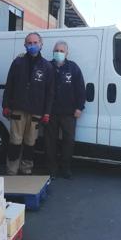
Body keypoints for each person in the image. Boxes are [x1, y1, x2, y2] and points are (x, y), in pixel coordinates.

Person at [2, 32, 54, 175]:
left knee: (30, 143)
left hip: (36, 111)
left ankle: (26, 169)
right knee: (15, 142)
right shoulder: (17, 63)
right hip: (18, 109)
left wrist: (47, 112)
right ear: (25, 45)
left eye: (35, 42)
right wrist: (5, 105)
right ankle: (11, 170)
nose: (32, 45)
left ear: (41, 44)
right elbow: (9, 85)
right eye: (29, 43)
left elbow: (50, 92)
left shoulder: (47, 66)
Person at [44, 41, 86, 179]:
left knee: (68, 141)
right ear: (53, 51)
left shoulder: (73, 68)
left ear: (67, 53)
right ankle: (52, 169)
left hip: (69, 113)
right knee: (50, 142)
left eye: (62, 51)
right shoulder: (47, 67)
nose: (59, 53)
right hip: (50, 112)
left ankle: (65, 168)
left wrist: (79, 107)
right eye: (57, 50)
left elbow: (80, 89)